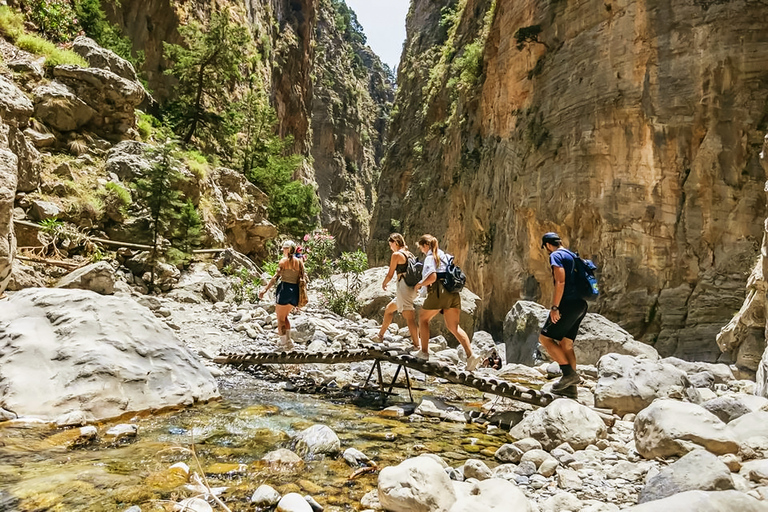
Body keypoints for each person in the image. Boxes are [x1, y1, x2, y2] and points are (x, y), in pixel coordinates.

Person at [413, 234, 481, 370]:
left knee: (423, 319)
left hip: (439, 292)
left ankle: (424, 352)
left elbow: (432, 277)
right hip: (453, 293)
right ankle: (471, 356)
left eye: (421, 247)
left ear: (426, 245)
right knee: (454, 326)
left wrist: (419, 284)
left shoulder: (430, 258)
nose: (421, 250)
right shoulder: (446, 257)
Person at [538, 232, 589, 392]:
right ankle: (571, 389)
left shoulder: (556, 256)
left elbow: (560, 281)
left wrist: (555, 307)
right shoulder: (572, 255)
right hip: (581, 304)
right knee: (566, 344)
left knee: (545, 338)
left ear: (547, 245)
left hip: (567, 304)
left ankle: (568, 374)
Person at [258, 240, 306, 350]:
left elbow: (275, 278)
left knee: (280, 319)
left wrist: (265, 290)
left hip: (284, 290)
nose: (283, 251)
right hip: (295, 292)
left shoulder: (283, 261)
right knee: (285, 317)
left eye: (284, 248)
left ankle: (284, 344)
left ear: (288, 249)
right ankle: (289, 341)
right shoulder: (299, 262)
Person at [375, 233, 419, 349]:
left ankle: (417, 345)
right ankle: (380, 335)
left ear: (395, 242)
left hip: (404, 287)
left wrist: (384, 283)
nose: (390, 248)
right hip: (411, 288)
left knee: (409, 316)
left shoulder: (397, 255)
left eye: (391, 245)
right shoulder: (410, 254)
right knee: (389, 309)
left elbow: (390, 273)